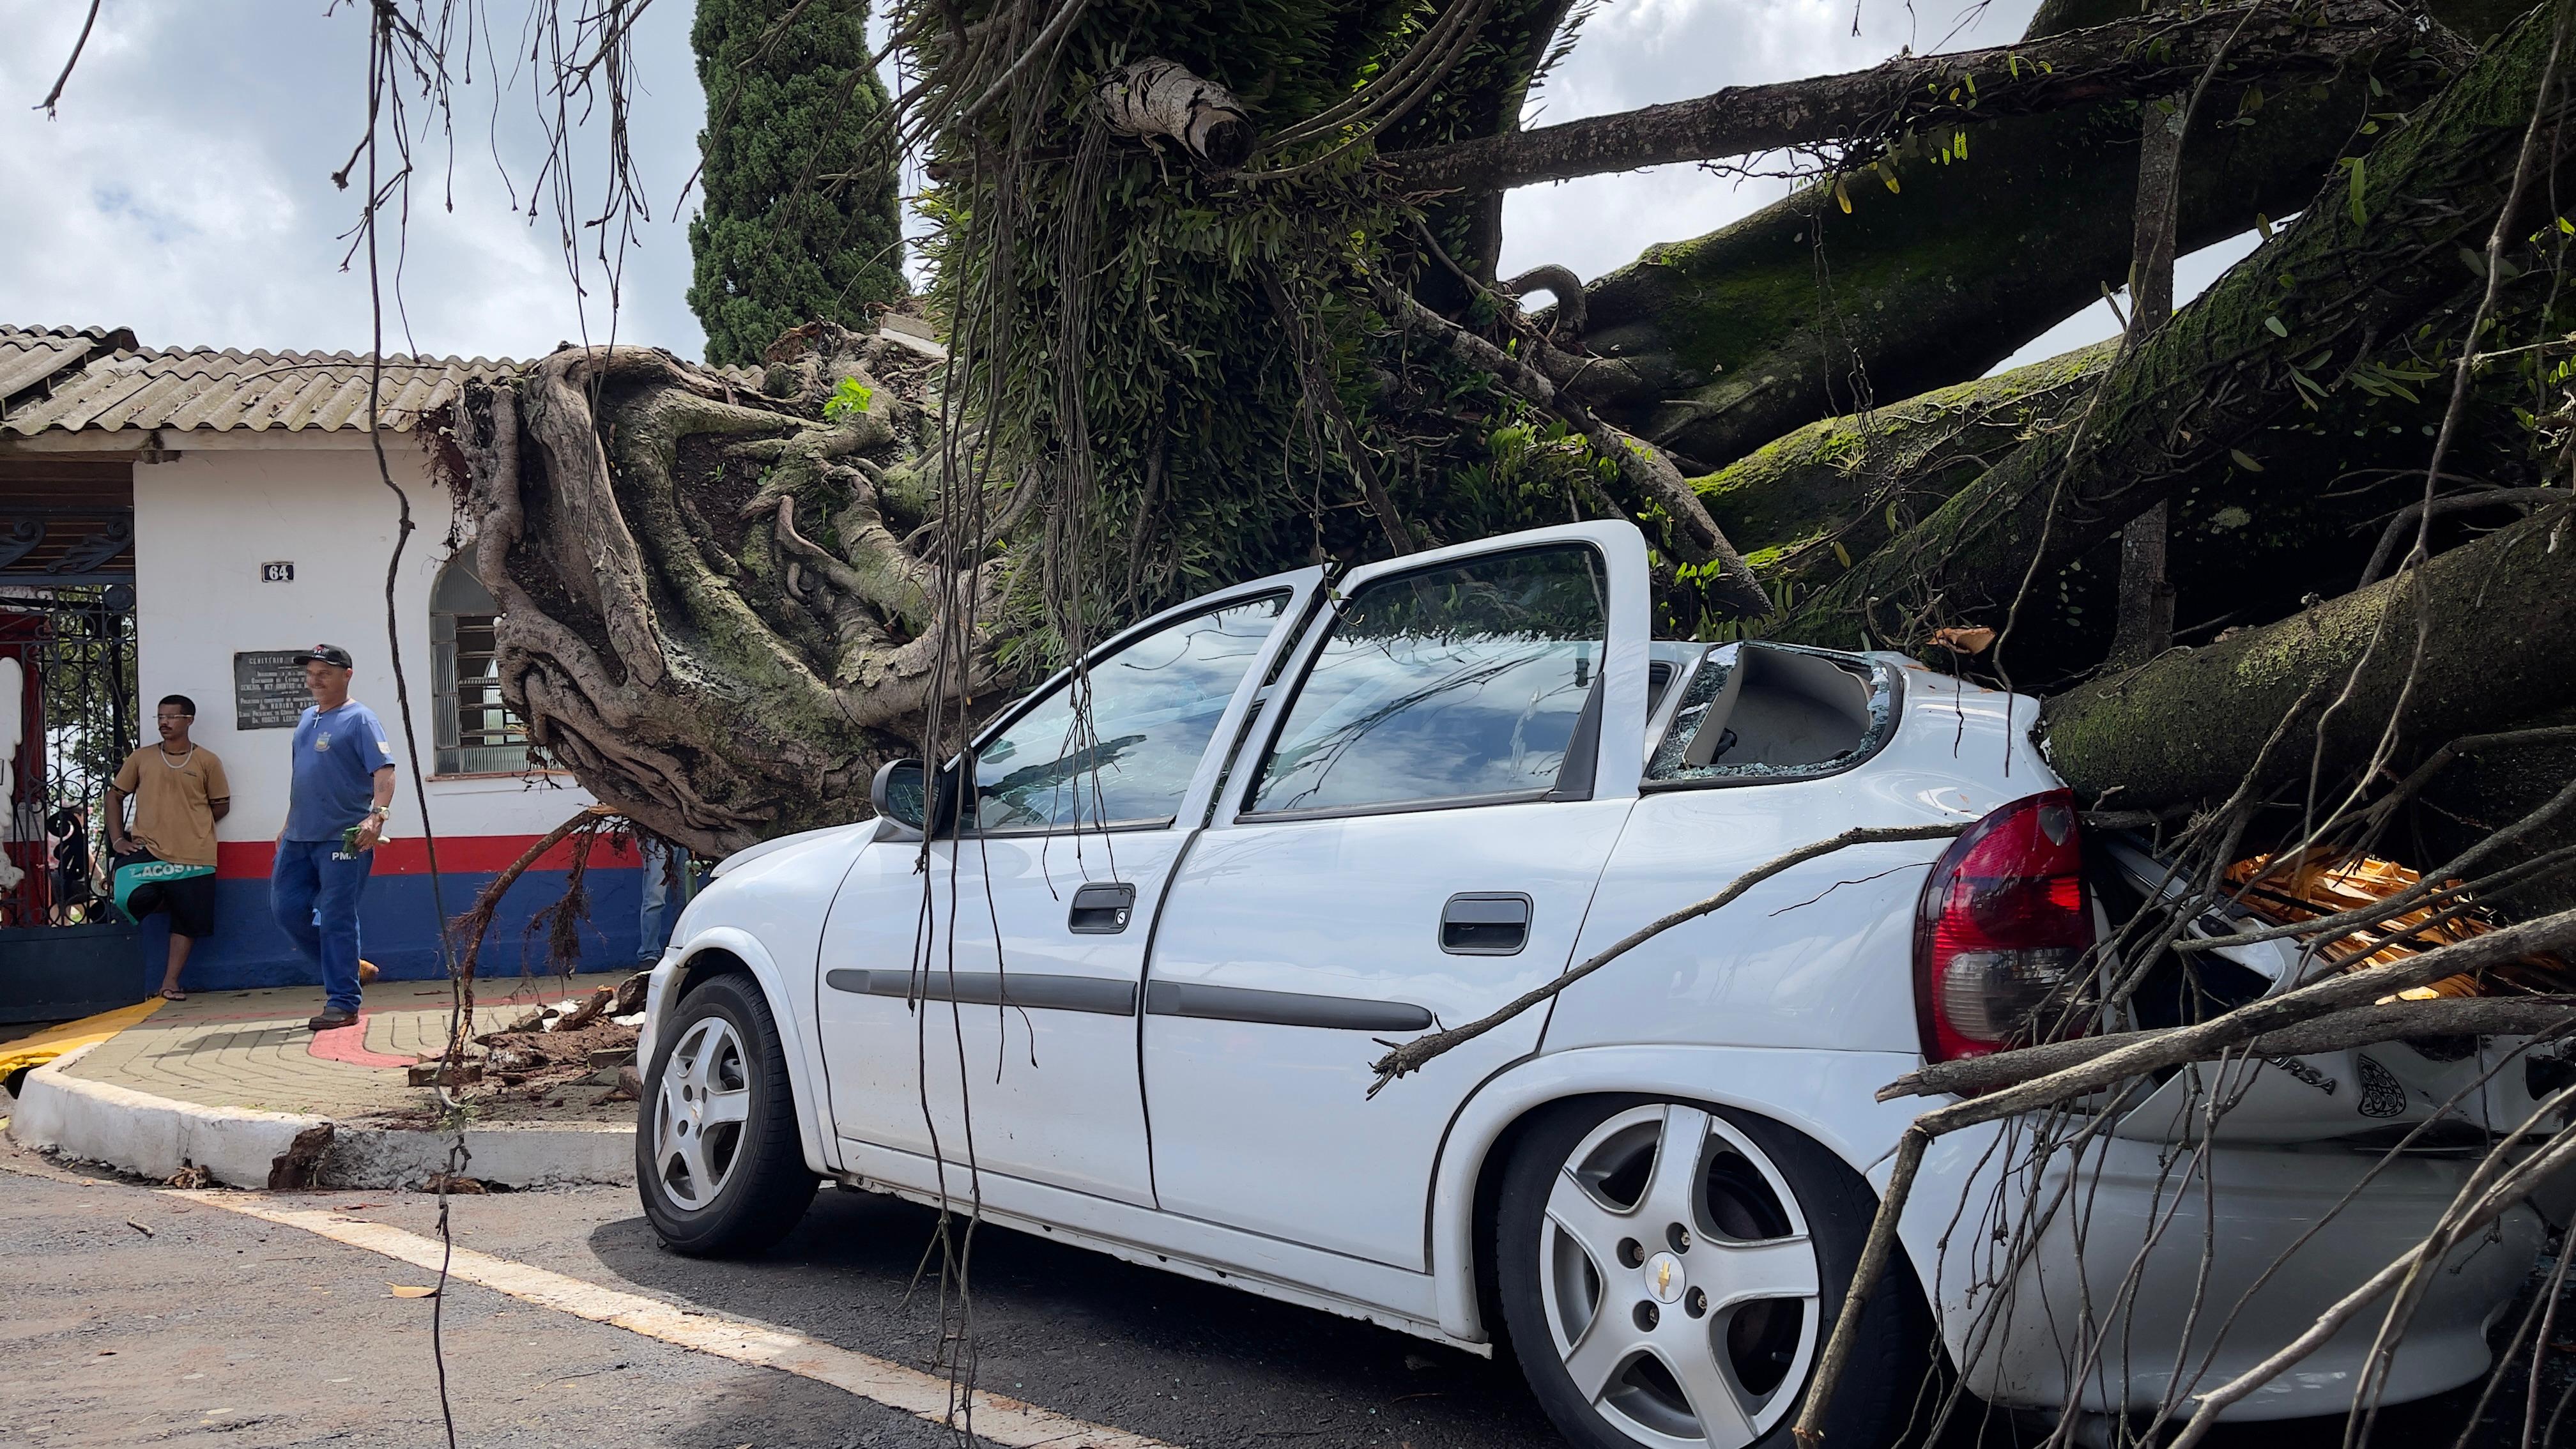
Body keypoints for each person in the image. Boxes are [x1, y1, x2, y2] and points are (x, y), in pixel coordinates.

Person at [270, 644, 396, 1031]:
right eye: (311, 672)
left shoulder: (361, 720)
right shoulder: (307, 719)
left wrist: (377, 819)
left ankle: (343, 1002)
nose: (315, 680)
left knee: (337, 919)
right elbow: (301, 778)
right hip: (299, 837)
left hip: (343, 839)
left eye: (324, 672)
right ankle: (350, 965)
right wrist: (288, 823)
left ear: (347, 675)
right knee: (286, 910)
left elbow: (384, 772)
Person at [105, 694, 231, 1000]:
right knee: (124, 892)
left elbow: (221, 805)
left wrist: (190, 825)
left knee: (187, 921)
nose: (165, 722)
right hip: (149, 849)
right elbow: (114, 796)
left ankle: (170, 982)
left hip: (196, 855)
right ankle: (167, 898)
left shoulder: (207, 761)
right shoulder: (141, 758)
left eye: (172, 717)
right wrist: (118, 838)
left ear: (188, 720)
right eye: (160, 717)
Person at [636, 836, 692, 967]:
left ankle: (679, 948)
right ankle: (649, 954)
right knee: (655, 898)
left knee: (684, 900)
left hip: (682, 836)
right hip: (656, 837)